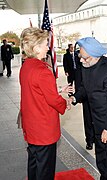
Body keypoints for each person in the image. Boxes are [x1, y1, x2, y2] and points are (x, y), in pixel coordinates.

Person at [69, 37, 107, 180]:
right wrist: (74, 98)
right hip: (96, 121)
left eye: (84, 58)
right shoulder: (86, 66)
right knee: (101, 159)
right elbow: (84, 89)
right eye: (80, 57)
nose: (81, 61)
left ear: (95, 56)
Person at [19, 27, 71, 180]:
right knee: (45, 170)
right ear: (36, 48)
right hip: (44, 129)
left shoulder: (26, 66)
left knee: (34, 163)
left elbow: (36, 91)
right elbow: (53, 100)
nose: (48, 47)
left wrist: (59, 89)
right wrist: (64, 103)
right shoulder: (43, 71)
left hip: (31, 126)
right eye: (45, 44)